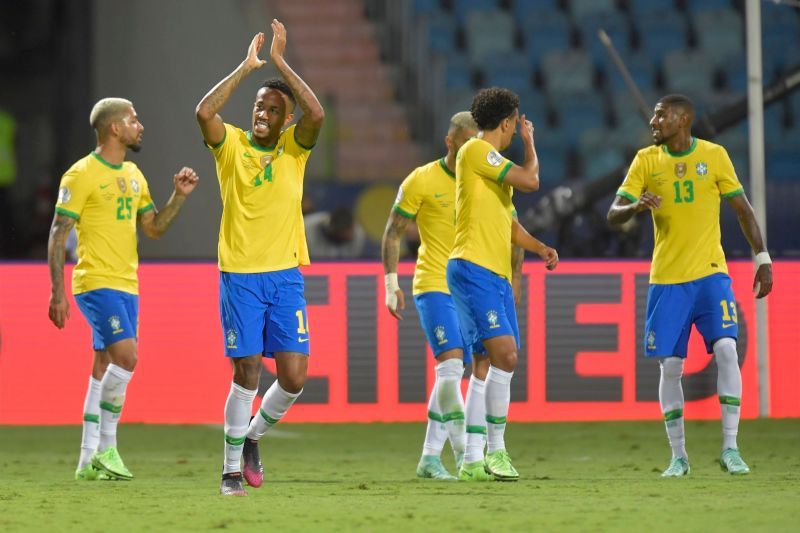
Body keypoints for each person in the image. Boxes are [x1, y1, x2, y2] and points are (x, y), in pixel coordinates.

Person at [607, 94, 773, 477]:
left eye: (660, 116)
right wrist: (634, 208)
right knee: (671, 367)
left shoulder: (714, 156)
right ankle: (678, 456)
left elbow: (743, 209)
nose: (653, 122)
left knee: (728, 350)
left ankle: (731, 449)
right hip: (667, 279)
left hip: (711, 273)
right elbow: (612, 213)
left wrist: (762, 257)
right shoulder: (645, 161)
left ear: (682, 120)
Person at [195, 19, 324, 496]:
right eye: (259, 106)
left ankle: (252, 438)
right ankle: (230, 470)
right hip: (241, 277)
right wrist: (246, 69)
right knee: (246, 371)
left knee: (293, 376)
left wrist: (282, 64)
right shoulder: (230, 146)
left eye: (273, 109)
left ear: (285, 119)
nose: (263, 114)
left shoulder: (295, 149)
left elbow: (316, 113)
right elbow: (204, 111)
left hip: (285, 276)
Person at [48, 97, 199, 481]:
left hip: (127, 284)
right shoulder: (80, 174)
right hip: (96, 283)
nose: (140, 125)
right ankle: (108, 448)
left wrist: (178, 198)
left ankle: (86, 461)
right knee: (127, 358)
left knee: (102, 366)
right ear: (114, 128)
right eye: (133, 119)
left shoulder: (134, 174)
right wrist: (57, 291)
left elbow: (153, 228)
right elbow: (58, 232)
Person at [446, 88, 559, 481]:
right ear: (508, 122)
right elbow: (532, 179)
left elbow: (508, 224)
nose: (516, 131)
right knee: (506, 357)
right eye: (516, 125)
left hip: (490, 269)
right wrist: (530, 143)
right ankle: (497, 450)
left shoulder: (491, 169)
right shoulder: (477, 151)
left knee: (483, 363)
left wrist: (539, 246)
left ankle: (472, 459)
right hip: (473, 266)